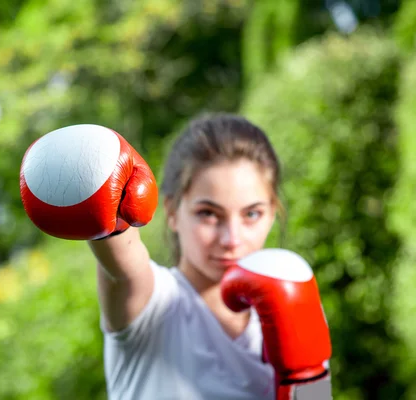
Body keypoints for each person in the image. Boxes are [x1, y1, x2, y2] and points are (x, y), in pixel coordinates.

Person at [19, 113, 331, 400]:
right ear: (171, 211)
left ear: (273, 213)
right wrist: (106, 193)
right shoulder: (154, 304)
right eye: (208, 214)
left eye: (252, 213)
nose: (231, 239)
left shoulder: (293, 299)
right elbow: (122, 266)